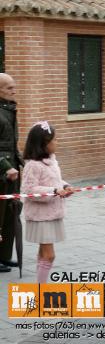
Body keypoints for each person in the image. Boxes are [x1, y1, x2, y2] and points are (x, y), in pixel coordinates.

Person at [21, 122, 76, 283]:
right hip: (40, 216)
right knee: (49, 255)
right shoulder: (32, 165)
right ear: (43, 144)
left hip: (52, 213)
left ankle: (40, 286)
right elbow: (29, 190)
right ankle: (41, 290)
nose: (57, 142)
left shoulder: (52, 160)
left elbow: (55, 180)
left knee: (43, 254)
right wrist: (53, 191)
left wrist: (65, 186)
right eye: (54, 140)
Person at [0, 73, 22, 273]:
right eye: (9, 88)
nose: (14, 91)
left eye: (14, 87)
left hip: (13, 172)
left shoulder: (10, 111)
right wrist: (6, 166)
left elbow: (11, 145)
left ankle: (4, 257)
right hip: (3, 172)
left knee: (11, 214)